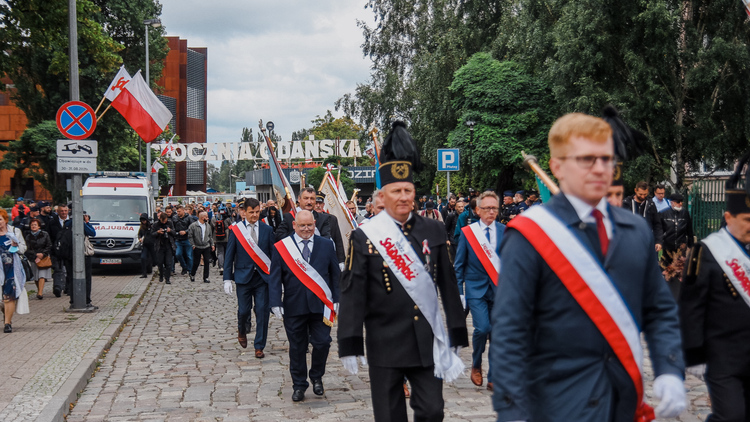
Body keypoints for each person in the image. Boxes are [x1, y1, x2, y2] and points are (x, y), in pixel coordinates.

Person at [491, 113, 686, 421]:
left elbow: (659, 309)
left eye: (606, 159)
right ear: (557, 167)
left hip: (624, 402)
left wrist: (670, 368)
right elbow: (510, 329)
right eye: (586, 159)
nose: (599, 168)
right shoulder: (529, 235)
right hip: (557, 403)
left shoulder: (635, 230)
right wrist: (511, 410)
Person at [338, 121, 467, 422]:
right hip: (384, 341)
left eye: (408, 190)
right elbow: (353, 291)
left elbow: (448, 284)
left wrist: (457, 331)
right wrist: (350, 341)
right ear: (382, 197)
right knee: (389, 416)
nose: (404, 196)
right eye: (396, 190)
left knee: (433, 411)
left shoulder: (433, 229)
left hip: (425, 339)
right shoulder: (365, 236)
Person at [680, 155, 750, 421]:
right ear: (728, 217)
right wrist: (694, 354)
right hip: (723, 357)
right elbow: (691, 307)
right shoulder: (707, 252)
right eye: (747, 220)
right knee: (731, 417)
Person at [269, 210, 340, 402]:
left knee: (323, 343)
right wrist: (275, 302)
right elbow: (275, 277)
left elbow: (335, 274)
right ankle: (299, 385)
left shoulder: (327, 245)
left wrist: (337, 299)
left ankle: (316, 376)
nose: (306, 229)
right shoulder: (282, 247)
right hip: (294, 305)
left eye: (309, 225)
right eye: (302, 226)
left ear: (314, 224)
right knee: (297, 347)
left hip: (321, 306)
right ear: (294, 225)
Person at [454, 191, 505, 392]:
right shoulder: (468, 233)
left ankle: (494, 376)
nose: (491, 212)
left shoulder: (505, 231)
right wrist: (459, 293)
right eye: (487, 208)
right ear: (478, 210)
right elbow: (459, 265)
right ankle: (476, 364)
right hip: (476, 290)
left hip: (499, 290)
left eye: (494, 208)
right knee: (483, 328)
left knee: (497, 334)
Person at [223, 198, 274, 357]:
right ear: (244, 212)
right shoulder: (236, 230)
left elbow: (273, 256)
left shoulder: (267, 230)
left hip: (262, 278)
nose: (254, 215)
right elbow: (229, 255)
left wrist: (276, 278)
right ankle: (241, 330)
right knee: (244, 310)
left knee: (262, 311)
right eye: (251, 212)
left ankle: (259, 346)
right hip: (243, 277)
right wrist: (227, 278)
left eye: (257, 212)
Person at [274, 188, 346, 267]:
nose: (309, 202)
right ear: (299, 199)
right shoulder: (289, 217)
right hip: (294, 262)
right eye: (306, 198)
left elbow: (326, 238)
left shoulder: (323, 219)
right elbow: (279, 236)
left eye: (312, 199)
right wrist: (298, 233)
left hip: (317, 262)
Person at [659, 193, 694, 299]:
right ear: (672, 203)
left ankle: (678, 293)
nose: (680, 204)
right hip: (668, 247)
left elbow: (689, 231)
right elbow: (660, 231)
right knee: (667, 270)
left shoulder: (685, 213)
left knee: (679, 271)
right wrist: (659, 242)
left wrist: (691, 246)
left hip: (680, 247)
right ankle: (666, 293)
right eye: (678, 202)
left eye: (681, 202)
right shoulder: (663, 214)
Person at [61, 213, 97, 308]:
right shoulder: (81, 224)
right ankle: (86, 301)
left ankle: (73, 301)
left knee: (72, 278)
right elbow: (92, 233)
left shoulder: (67, 224)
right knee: (86, 278)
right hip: (82, 256)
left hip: (68, 256)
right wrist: (87, 222)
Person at [0, 209, 27, 333]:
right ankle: (6, 313)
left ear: (5, 220)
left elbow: (23, 248)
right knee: (2, 299)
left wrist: (16, 245)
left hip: (11, 268)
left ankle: (7, 323)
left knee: (9, 296)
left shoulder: (15, 231)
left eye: (0, 219)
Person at [622, 181, 664, 251]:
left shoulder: (651, 205)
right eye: (640, 194)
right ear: (635, 190)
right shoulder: (626, 204)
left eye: (645, 194)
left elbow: (657, 224)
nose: (642, 196)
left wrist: (658, 241)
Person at [24, 218, 52, 300]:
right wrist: (35, 255)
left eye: (35, 225)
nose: (33, 226)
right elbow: (27, 248)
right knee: (36, 276)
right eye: (32, 225)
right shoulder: (28, 236)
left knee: (41, 275)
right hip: (33, 258)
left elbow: (49, 245)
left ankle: (40, 293)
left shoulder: (45, 234)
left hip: (43, 258)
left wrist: (43, 254)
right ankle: (39, 290)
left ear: (39, 226)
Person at [188, 211, 214, 283]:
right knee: (196, 262)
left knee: (207, 262)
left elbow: (210, 236)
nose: (207, 218)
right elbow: (190, 236)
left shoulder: (208, 226)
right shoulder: (193, 226)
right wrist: (193, 244)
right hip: (197, 246)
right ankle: (192, 274)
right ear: (202, 218)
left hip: (206, 246)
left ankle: (206, 277)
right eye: (206, 217)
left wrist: (212, 244)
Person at [49, 203, 69, 297]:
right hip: (56, 251)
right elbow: (49, 236)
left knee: (68, 270)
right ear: (58, 212)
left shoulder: (72, 221)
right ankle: (57, 287)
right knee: (58, 269)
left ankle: (67, 288)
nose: (64, 213)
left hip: (69, 251)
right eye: (62, 211)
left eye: (65, 211)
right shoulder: (52, 222)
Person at [151, 212, 176, 284]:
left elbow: (174, 233)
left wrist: (170, 231)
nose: (164, 222)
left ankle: (167, 278)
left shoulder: (170, 223)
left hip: (168, 245)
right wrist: (158, 232)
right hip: (160, 246)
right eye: (163, 221)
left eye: (165, 221)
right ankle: (161, 275)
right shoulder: (156, 224)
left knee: (168, 263)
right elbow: (152, 234)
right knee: (160, 262)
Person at [172, 205, 196, 276]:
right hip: (178, 239)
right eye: (177, 211)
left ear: (183, 210)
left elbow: (192, 227)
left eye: (179, 211)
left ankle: (190, 270)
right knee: (178, 254)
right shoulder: (174, 218)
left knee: (189, 256)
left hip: (187, 239)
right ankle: (184, 267)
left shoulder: (189, 217)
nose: (178, 213)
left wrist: (186, 231)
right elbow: (173, 227)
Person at [212, 209, 230, 276]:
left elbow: (212, 228)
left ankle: (221, 267)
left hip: (217, 237)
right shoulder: (227, 218)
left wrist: (212, 239)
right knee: (226, 252)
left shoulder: (214, 218)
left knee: (220, 253)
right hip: (226, 237)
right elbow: (231, 226)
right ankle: (226, 266)